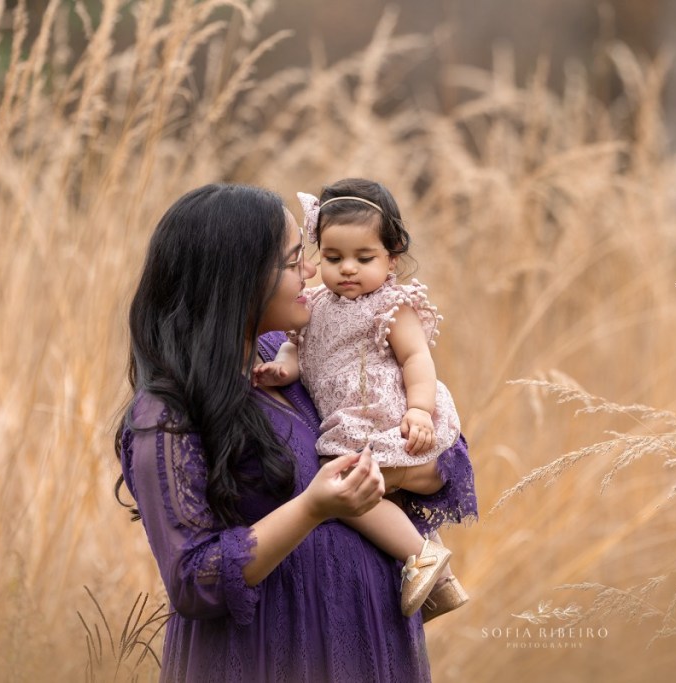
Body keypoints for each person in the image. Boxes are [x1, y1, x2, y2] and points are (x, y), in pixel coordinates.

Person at [116, 184, 475, 683]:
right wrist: (313, 507)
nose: (312, 271)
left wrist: (414, 460)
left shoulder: (294, 359)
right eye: (292, 261)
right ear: (237, 279)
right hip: (270, 659)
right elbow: (195, 581)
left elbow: (437, 455)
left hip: (371, 655)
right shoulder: (170, 414)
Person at [253, 178, 474, 621]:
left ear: (392, 258)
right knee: (356, 491)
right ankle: (430, 571)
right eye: (333, 258)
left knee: (346, 485)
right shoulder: (311, 304)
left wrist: (418, 409)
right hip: (349, 421)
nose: (347, 269)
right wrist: (282, 367)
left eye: (363, 257)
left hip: (387, 416)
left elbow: (416, 359)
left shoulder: (391, 305)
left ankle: (423, 556)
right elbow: (299, 348)